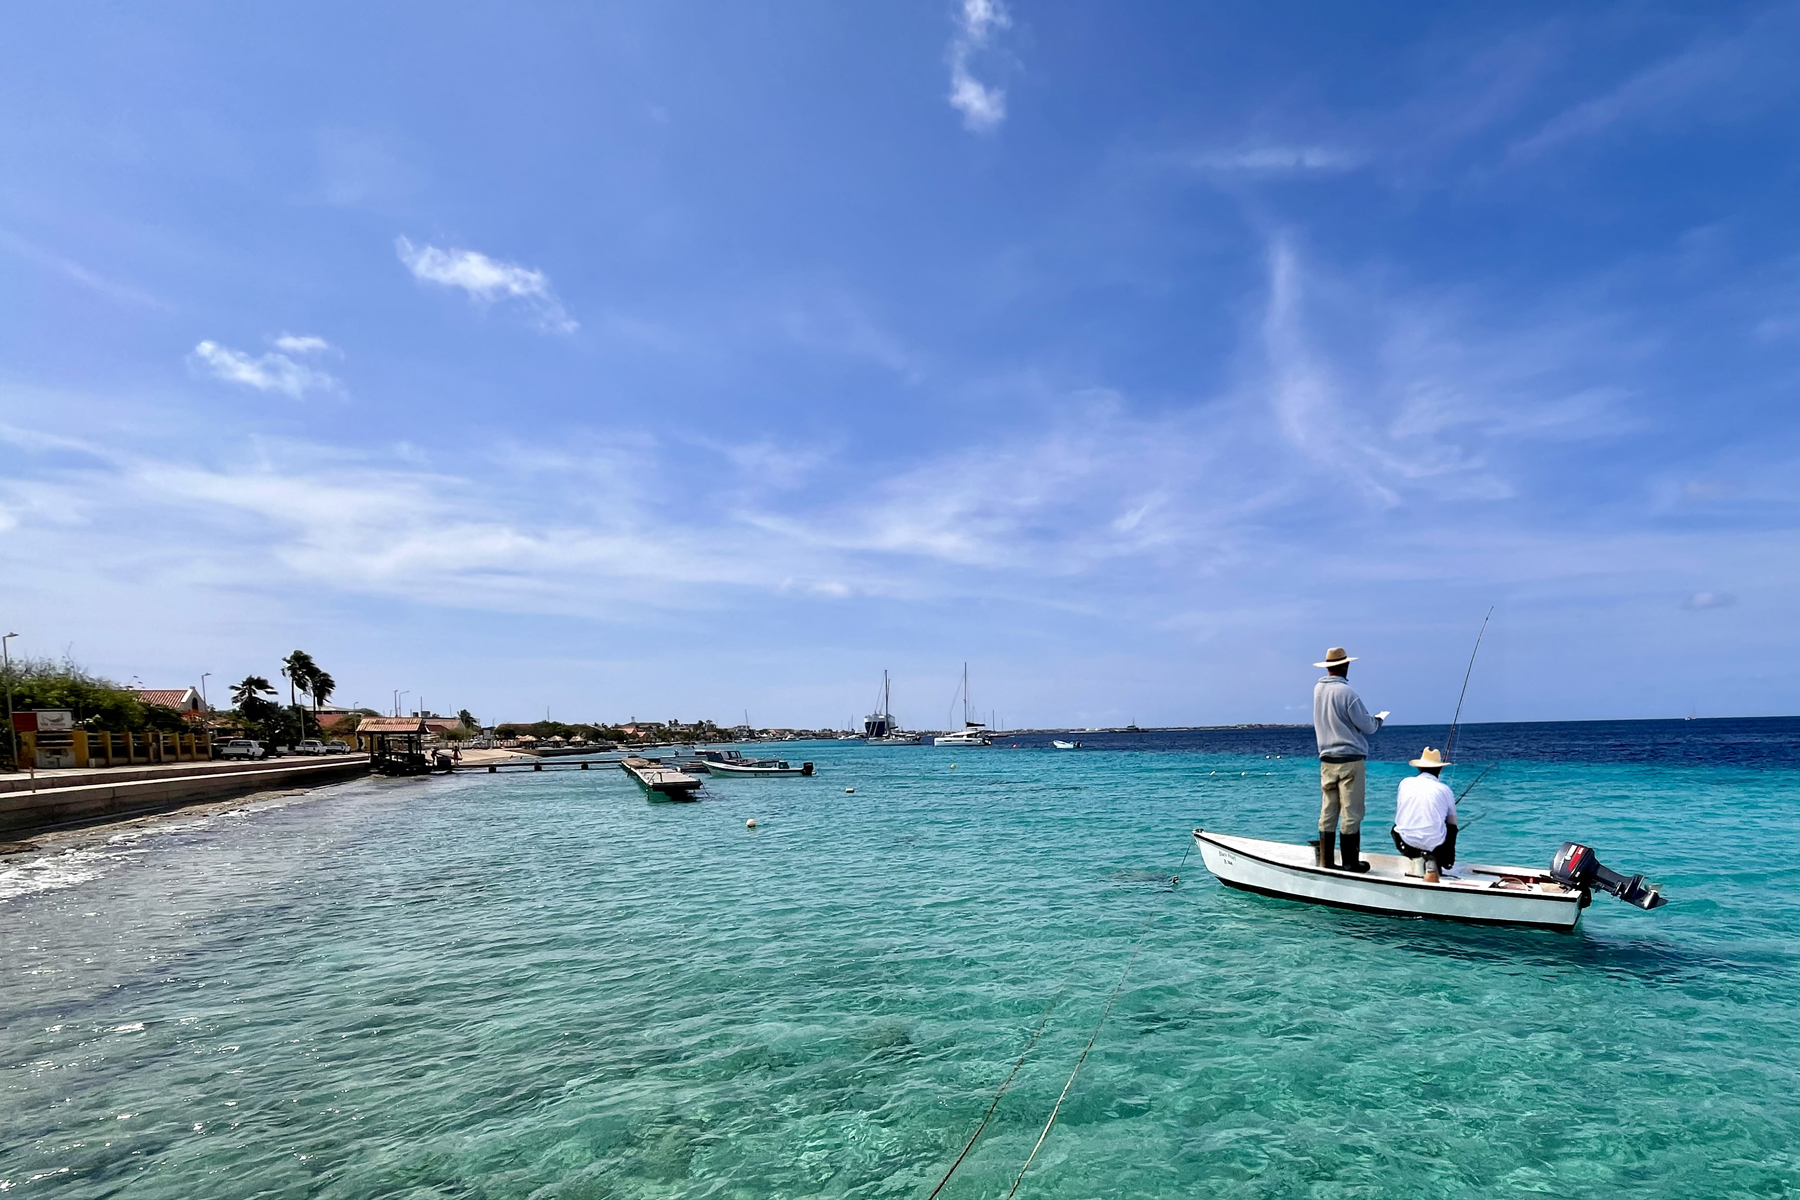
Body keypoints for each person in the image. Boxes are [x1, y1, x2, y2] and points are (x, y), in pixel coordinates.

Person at [1312, 647, 1388, 872]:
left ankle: (1326, 860)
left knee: (1328, 810)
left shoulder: (1318, 690)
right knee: (1351, 812)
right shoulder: (1347, 693)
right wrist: (1378, 721)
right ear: (1345, 666)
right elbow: (1367, 725)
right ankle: (1349, 862)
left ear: (1327, 667)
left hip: (1327, 760)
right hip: (1350, 760)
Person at [1392, 747, 1458, 878]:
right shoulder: (1445, 789)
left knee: (1396, 827)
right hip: (1436, 845)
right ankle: (1446, 862)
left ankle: (1419, 856)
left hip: (1406, 844)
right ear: (1440, 769)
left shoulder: (1404, 783)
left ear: (1420, 768)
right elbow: (1452, 823)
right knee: (1451, 828)